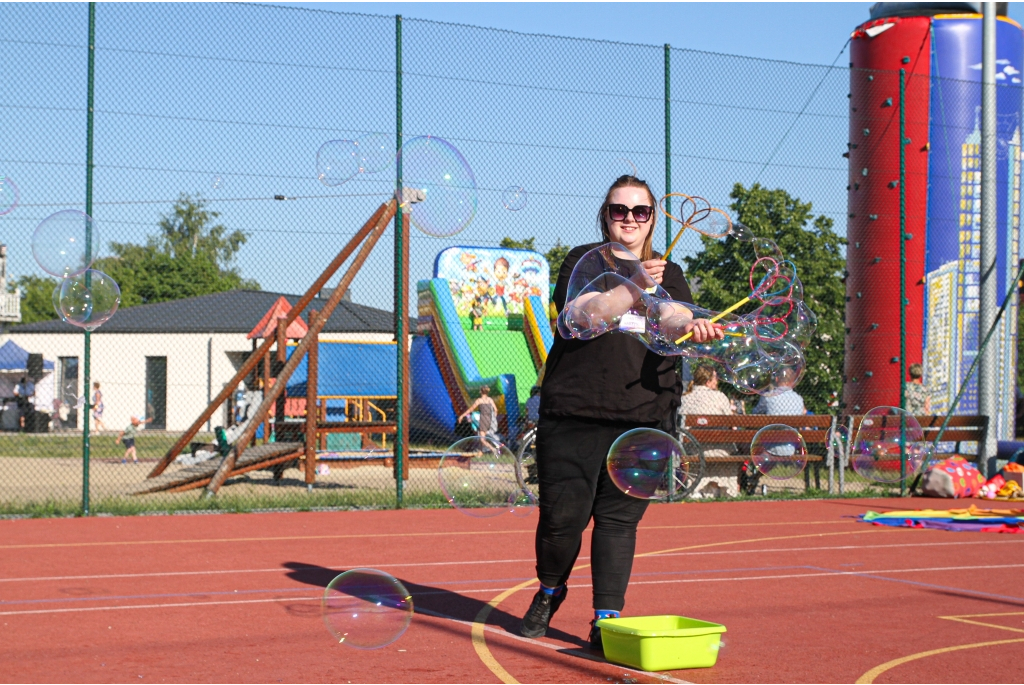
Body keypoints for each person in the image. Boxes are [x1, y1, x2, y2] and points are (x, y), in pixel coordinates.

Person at [521, 174, 723, 649]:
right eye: (619, 210)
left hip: (644, 416)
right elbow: (586, 315)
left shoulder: (668, 273)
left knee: (618, 523)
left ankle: (606, 619)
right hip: (574, 411)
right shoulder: (585, 260)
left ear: (652, 218)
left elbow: (670, 316)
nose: (629, 220)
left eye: (640, 212)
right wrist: (636, 283)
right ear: (605, 214)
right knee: (561, 521)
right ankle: (549, 592)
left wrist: (691, 323)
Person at [458, 385, 500, 449]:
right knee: (483, 435)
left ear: (480, 391)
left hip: (482, 420)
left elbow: (471, 409)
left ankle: (493, 449)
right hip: (489, 420)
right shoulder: (490, 400)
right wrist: (493, 417)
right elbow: (496, 410)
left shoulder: (479, 400)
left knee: (482, 439)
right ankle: (481, 452)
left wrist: (462, 416)